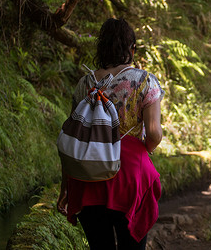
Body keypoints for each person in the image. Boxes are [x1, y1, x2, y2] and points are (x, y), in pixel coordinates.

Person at [57, 18, 164, 250]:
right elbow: (154, 134)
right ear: (132, 49)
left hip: (86, 176)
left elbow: (73, 138)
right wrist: (143, 151)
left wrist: (65, 187)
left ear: (101, 48)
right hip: (129, 176)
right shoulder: (145, 81)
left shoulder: (84, 83)